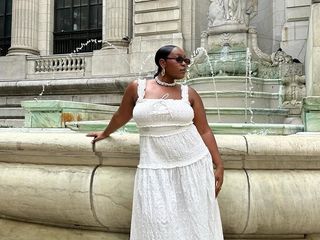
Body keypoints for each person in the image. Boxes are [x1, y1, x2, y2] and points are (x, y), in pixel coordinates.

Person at [87, 45, 224, 240]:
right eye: (179, 59)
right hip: (154, 166)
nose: (185, 64)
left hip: (193, 164)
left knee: (195, 220)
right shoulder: (138, 88)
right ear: (162, 63)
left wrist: (219, 164)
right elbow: (121, 116)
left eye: (187, 60)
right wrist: (105, 132)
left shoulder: (189, 93)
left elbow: (204, 130)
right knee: (155, 221)